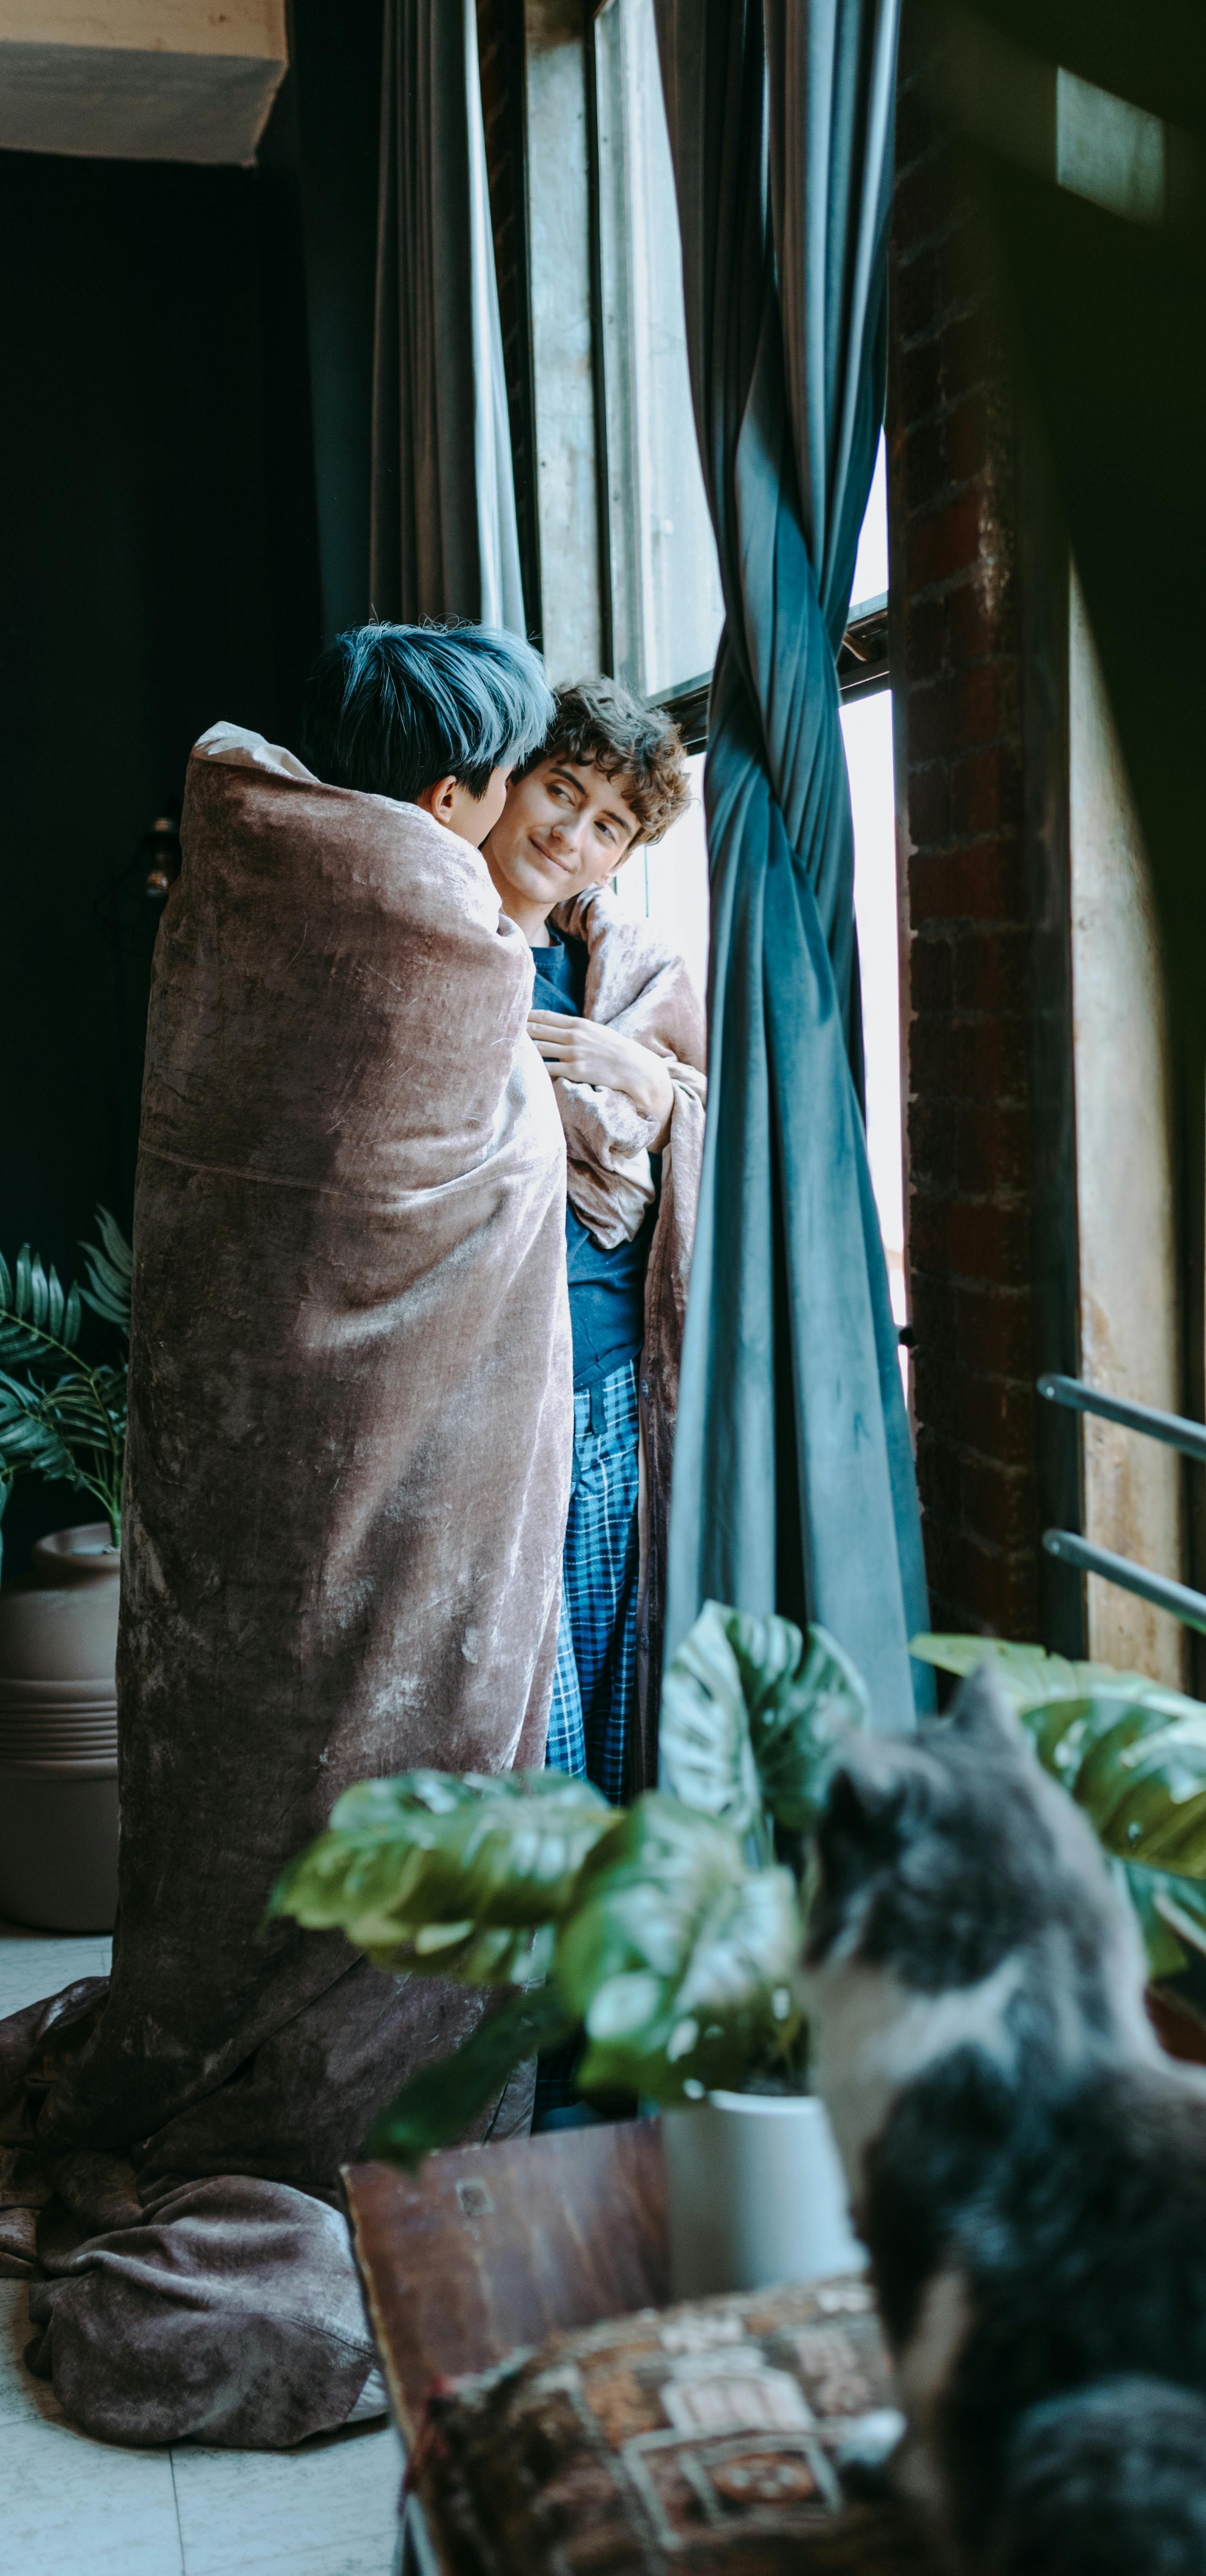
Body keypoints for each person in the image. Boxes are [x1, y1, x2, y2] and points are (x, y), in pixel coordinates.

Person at [0, 622, 573, 2450]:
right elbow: (499, 1139)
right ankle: (331, 2107)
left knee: (242, 1762)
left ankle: (204, 2027)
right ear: (449, 795)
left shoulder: (238, 891)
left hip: (224, 1483)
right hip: (384, 1489)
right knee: (379, 1745)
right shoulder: (424, 934)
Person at [481, 678, 704, 1820]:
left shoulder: (636, 972)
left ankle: (602, 1967)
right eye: (559, 790)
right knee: (518, 1690)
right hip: (492, 1382)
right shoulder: (435, 946)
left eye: (608, 822)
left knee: (615, 1673)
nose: (570, 833)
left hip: (614, 1373)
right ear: (506, 782)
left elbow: (720, 1129)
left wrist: (657, 1093)